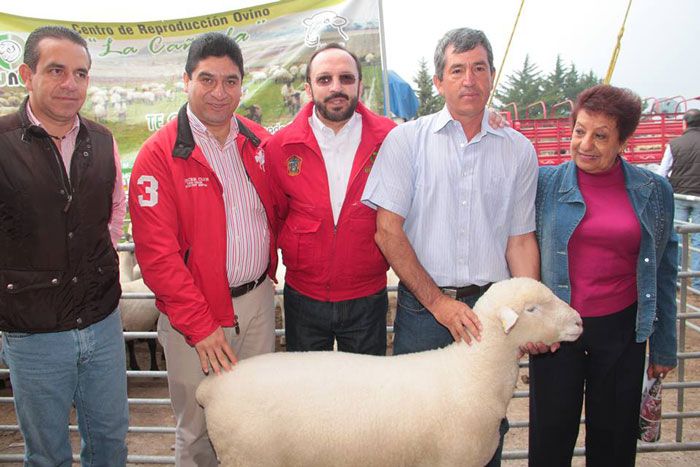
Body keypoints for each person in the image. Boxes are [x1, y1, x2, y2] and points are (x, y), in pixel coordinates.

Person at [362, 27, 540, 466]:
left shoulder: (519, 150)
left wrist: (528, 311)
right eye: (457, 70)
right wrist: (438, 302)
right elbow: (387, 231)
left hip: (491, 313)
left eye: (479, 68)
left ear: (493, 76)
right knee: (412, 429)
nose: (469, 80)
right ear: (439, 81)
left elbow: (520, 239)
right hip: (424, 310)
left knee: (484, 429)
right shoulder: (407, 141)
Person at [128, 32, 276, 467]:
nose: (219, 92)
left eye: (230, 81)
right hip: (197, 316)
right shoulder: (158, 155)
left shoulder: (258, 141)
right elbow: (157, 256)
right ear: (186, 80)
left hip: (258, 304)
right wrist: (200, 324)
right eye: (207, 79)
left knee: (256, 420)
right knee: (197, 430)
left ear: (242, 86)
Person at [530, 84, 678, 467]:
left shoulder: (653, 189)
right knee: (550, 439)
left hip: (622, 332)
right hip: (557, 332)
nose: (586, 145)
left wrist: (663, 345)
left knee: (613, 445)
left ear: (623, 141)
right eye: (580, 131)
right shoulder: (545, 184)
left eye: (601, 136)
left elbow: (663, 269)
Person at [0, 26, 128, 466]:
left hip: (101, 322)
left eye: (81, 73)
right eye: (56, 70)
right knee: (48, 454)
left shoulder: (103, 141)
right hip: (33, 332)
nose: (70, 83)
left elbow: (113, 218)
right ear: (26, 74)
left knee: (110, 441)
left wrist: (94, 271)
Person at [265, 43, 396, 354]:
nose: (336, 88)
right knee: (309, 395)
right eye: (325, 80)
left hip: (367, 297)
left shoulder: (392, 139)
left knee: (365, 394)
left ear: (360, 86)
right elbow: (275, 214)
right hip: (303, 297)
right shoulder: (280, 147)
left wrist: (487, 118)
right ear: (308, 88)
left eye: (346, 79)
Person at [658, 108, 700, 289]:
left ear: (684, 123)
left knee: (676, 236)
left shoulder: (674, 145)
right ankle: (697, 282)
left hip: (679, 194)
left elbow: (662, 173)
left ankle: (677, 277)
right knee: (698, 239)